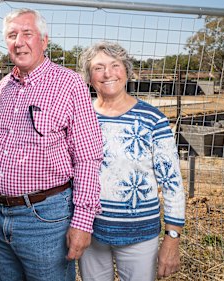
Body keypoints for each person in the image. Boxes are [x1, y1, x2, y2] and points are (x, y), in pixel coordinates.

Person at [0, 8, 104, 281]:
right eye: (11, 35)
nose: (19, 41)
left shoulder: (69, 84)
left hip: (46, 220)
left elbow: (88, 157)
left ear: (44, 40)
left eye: (27, 33)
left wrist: (82, 222)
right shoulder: (2, 88)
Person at [77, 41, 186, 281]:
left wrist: (172, 239)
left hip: (139, 234)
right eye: (98, 67)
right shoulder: (80, 116)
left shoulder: (153, 120)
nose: (108, 73)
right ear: (88, 76)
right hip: (89, 231)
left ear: (126, 70)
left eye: (115, 65)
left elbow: (173, 184)